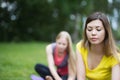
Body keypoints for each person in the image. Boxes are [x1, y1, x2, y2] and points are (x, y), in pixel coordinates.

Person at [76, 12, 120, 80]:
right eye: (89, 29)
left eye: (98, 29)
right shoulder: (80, 47)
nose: (93, 33)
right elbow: (80, 78)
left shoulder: (115, 56)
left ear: (106, 32)